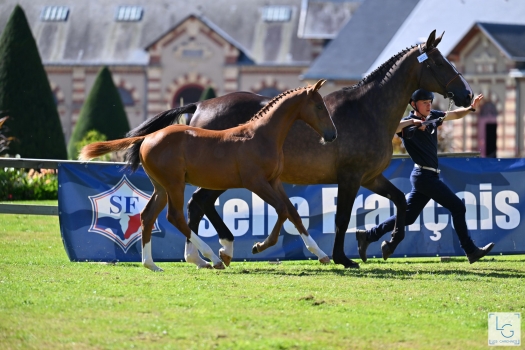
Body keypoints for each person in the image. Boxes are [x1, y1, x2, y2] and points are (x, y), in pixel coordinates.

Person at [356, 88, 495, 264]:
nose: (429, 105)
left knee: (409, 216)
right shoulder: (407, 124)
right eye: (425, 103)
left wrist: (470, 109)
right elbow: (391, 128)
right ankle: (471, 251)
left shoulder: (433, 116)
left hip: (429, 177)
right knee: (458, 207)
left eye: (430, 102)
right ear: (414, 105)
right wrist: (412, 122)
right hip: (424, 176)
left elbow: (453, 115)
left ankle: (368, 236)